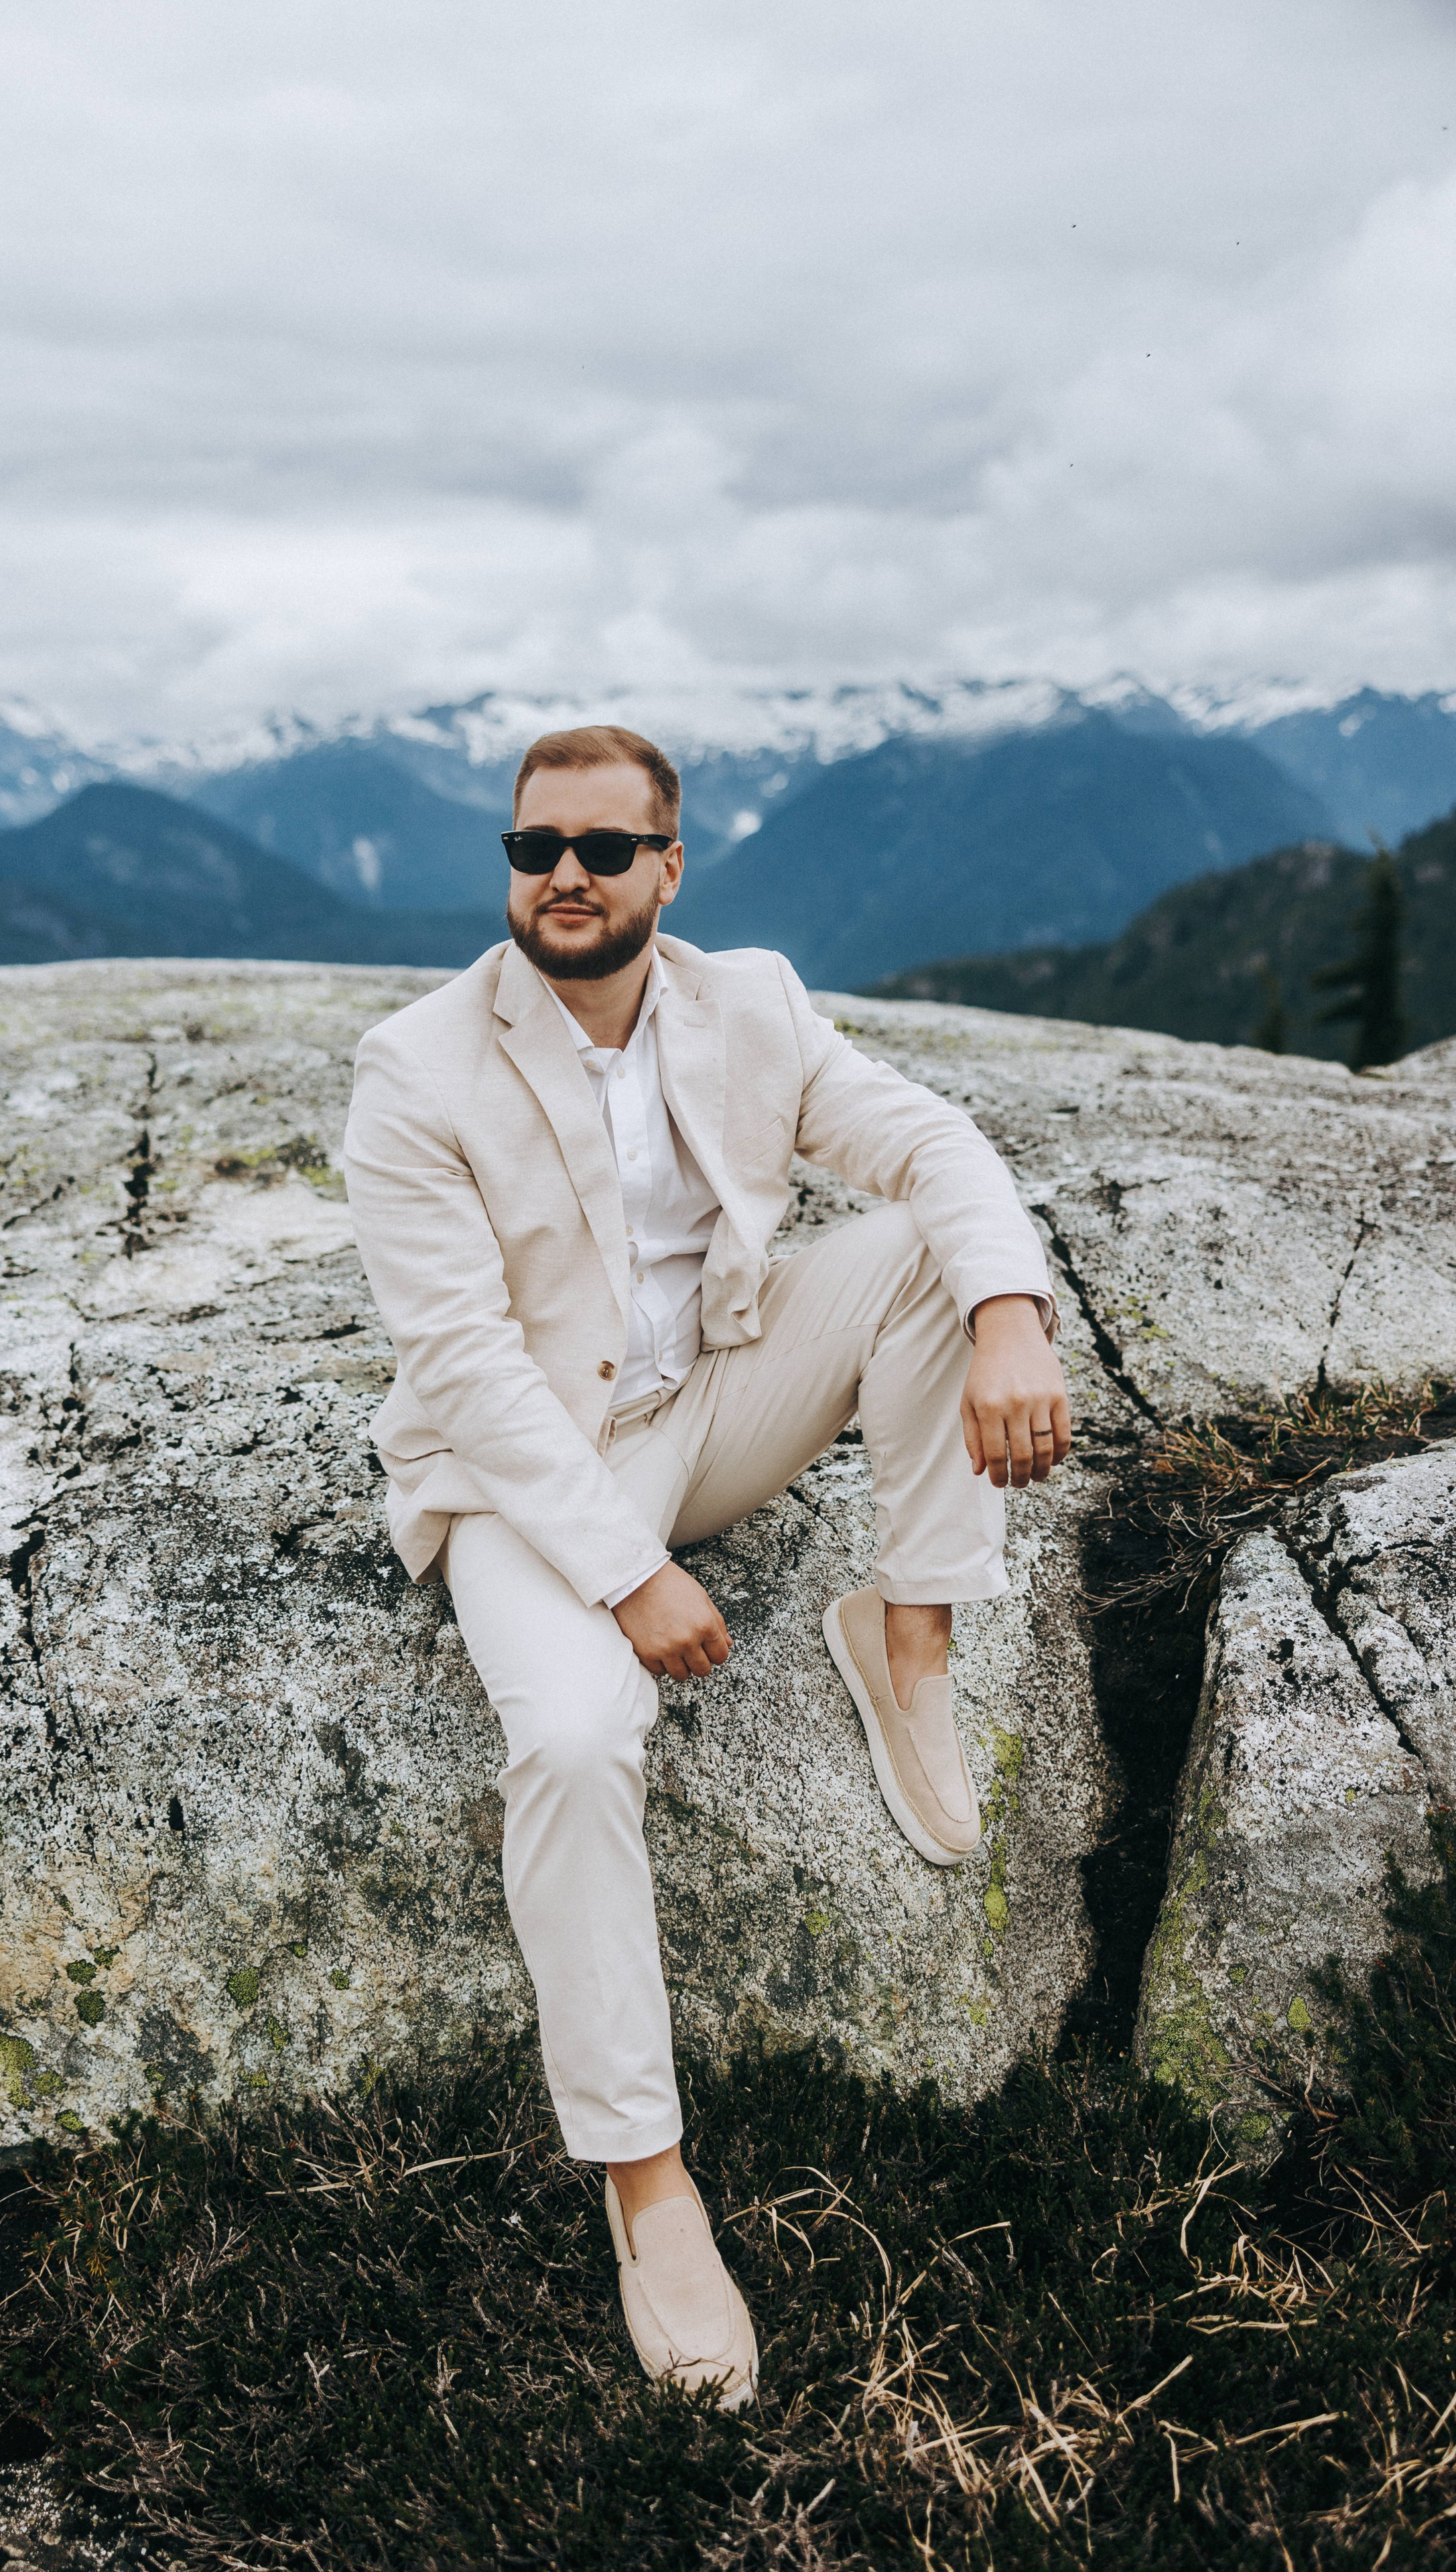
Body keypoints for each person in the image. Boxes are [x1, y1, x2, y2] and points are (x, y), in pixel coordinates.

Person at [344, 724, 1071, 2408]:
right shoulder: (416, 1066)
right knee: (581, 1738)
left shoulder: (747, 999)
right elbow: (461, 1369)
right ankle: (645, 2182)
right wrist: (626, 1573)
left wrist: (1009, 1312)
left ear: (670, 867)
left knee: (915, 1258)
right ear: (510, 867)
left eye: (604, 848)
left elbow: (933, 1147)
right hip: (522, 1475)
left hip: (706, 1402)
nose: (566, 878)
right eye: (535, 850)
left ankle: (903, 1632)